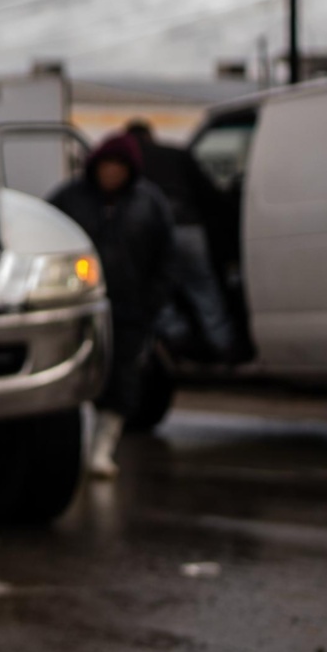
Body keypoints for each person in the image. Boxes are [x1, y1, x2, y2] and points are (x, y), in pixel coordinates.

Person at [49, 132, 178, 478]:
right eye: (107, 165)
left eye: (119, 167)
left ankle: (102, 448)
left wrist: (154, 301)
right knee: (76, 375)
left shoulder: (149, 203)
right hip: (80, 307)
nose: (112, 173)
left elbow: (166, 255)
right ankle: (71, 447)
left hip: (131, 309)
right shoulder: (69, 198)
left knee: (123, 379)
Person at [123, 118, 238, 363]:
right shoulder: (176, 154)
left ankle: (179, 339)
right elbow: (210, 193)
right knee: (204, 288)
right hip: (190, 228)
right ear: (150, 135)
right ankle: (223, 345)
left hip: (154, 234)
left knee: (156, 289)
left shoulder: (130, 161)